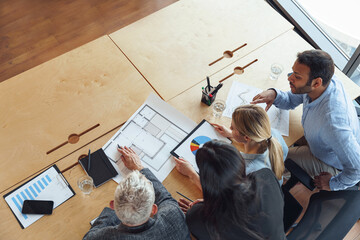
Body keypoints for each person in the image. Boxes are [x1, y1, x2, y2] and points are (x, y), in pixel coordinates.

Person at [251, 49, 360, 191]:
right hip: (317, 139)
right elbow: (291, 99)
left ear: (316, 83)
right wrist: (274, 94)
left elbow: (357, 169)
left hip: (329, 161)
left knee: (273, 157)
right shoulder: (322, 85)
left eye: (296, 76)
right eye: (292, 72)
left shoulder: (334, 125)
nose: (290, 78)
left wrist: (333, 184)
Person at [178, 140, 286, 240]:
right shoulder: (266, 176)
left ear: (207, 182)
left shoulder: (199, 219)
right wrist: (213, 203)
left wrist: (193, 175)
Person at [83, 146, 191, 240]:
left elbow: (89, 237)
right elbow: (164, 197)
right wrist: (139, 168)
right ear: (153, 209)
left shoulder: (106, 237)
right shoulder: (173, 215)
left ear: (113, 206)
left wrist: (111, 212)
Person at [174, 104, 288, 187]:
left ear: (247, 137)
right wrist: (233, 134)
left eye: (233, 128)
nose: (230, 128)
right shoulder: (273, 135)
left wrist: (191, 173)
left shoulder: (245, 170)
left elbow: (219, 199)